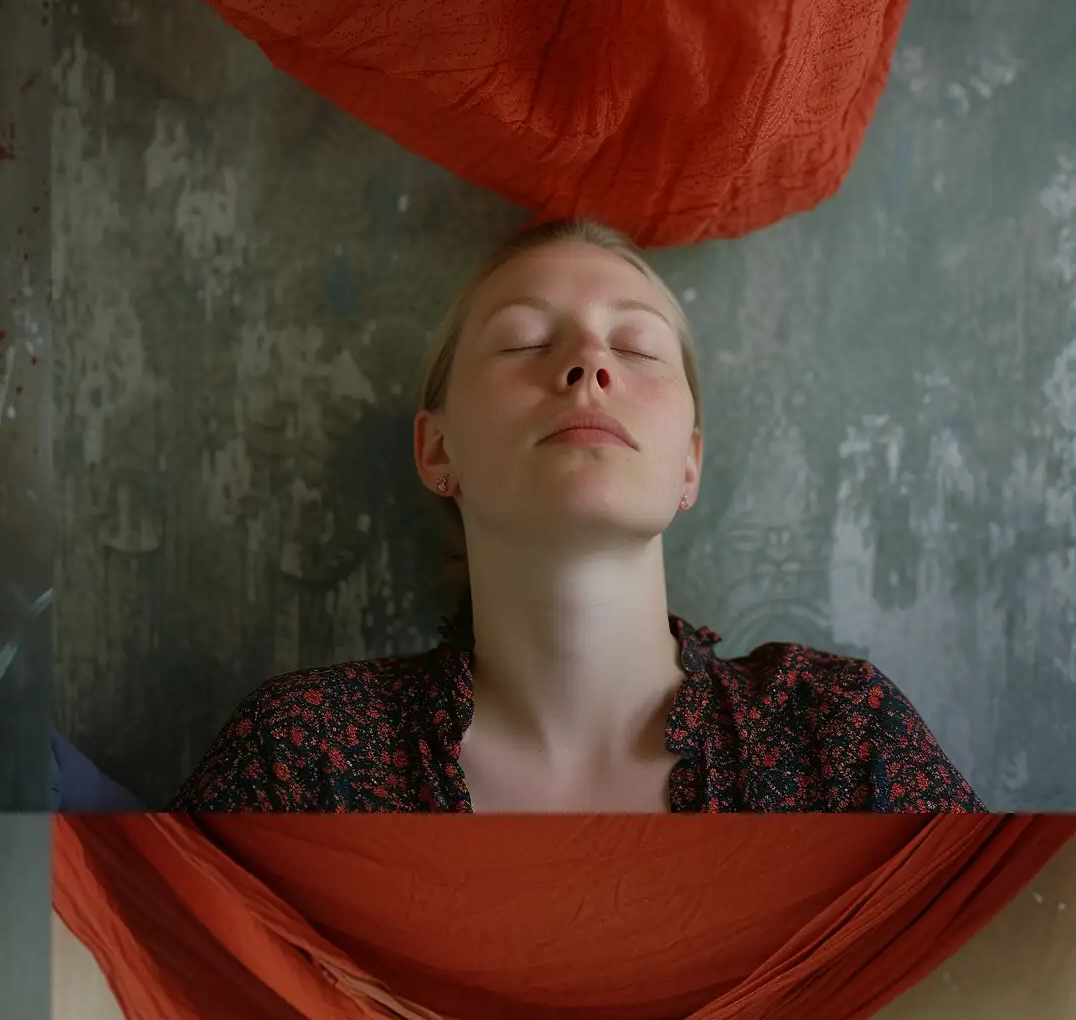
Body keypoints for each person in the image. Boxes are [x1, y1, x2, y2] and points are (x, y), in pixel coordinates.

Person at [174, 219, 980, 812]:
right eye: (523, 341)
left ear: (690, 461)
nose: (589, 363)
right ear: (436, 450)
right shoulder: (300, 755)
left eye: (636, 347)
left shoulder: (837, 735)